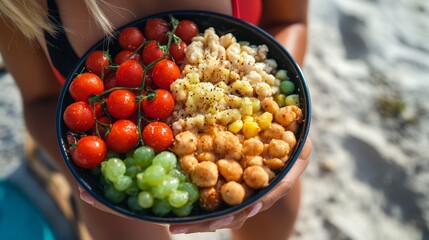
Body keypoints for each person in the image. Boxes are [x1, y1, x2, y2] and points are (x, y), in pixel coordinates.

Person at [0, 0, 311, 239]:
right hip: (103, 134)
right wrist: (78, 172)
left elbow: (289, 20)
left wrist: (291, 113)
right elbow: (40, 99)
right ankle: (50, 176)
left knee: (274, 214)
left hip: (234, 122)